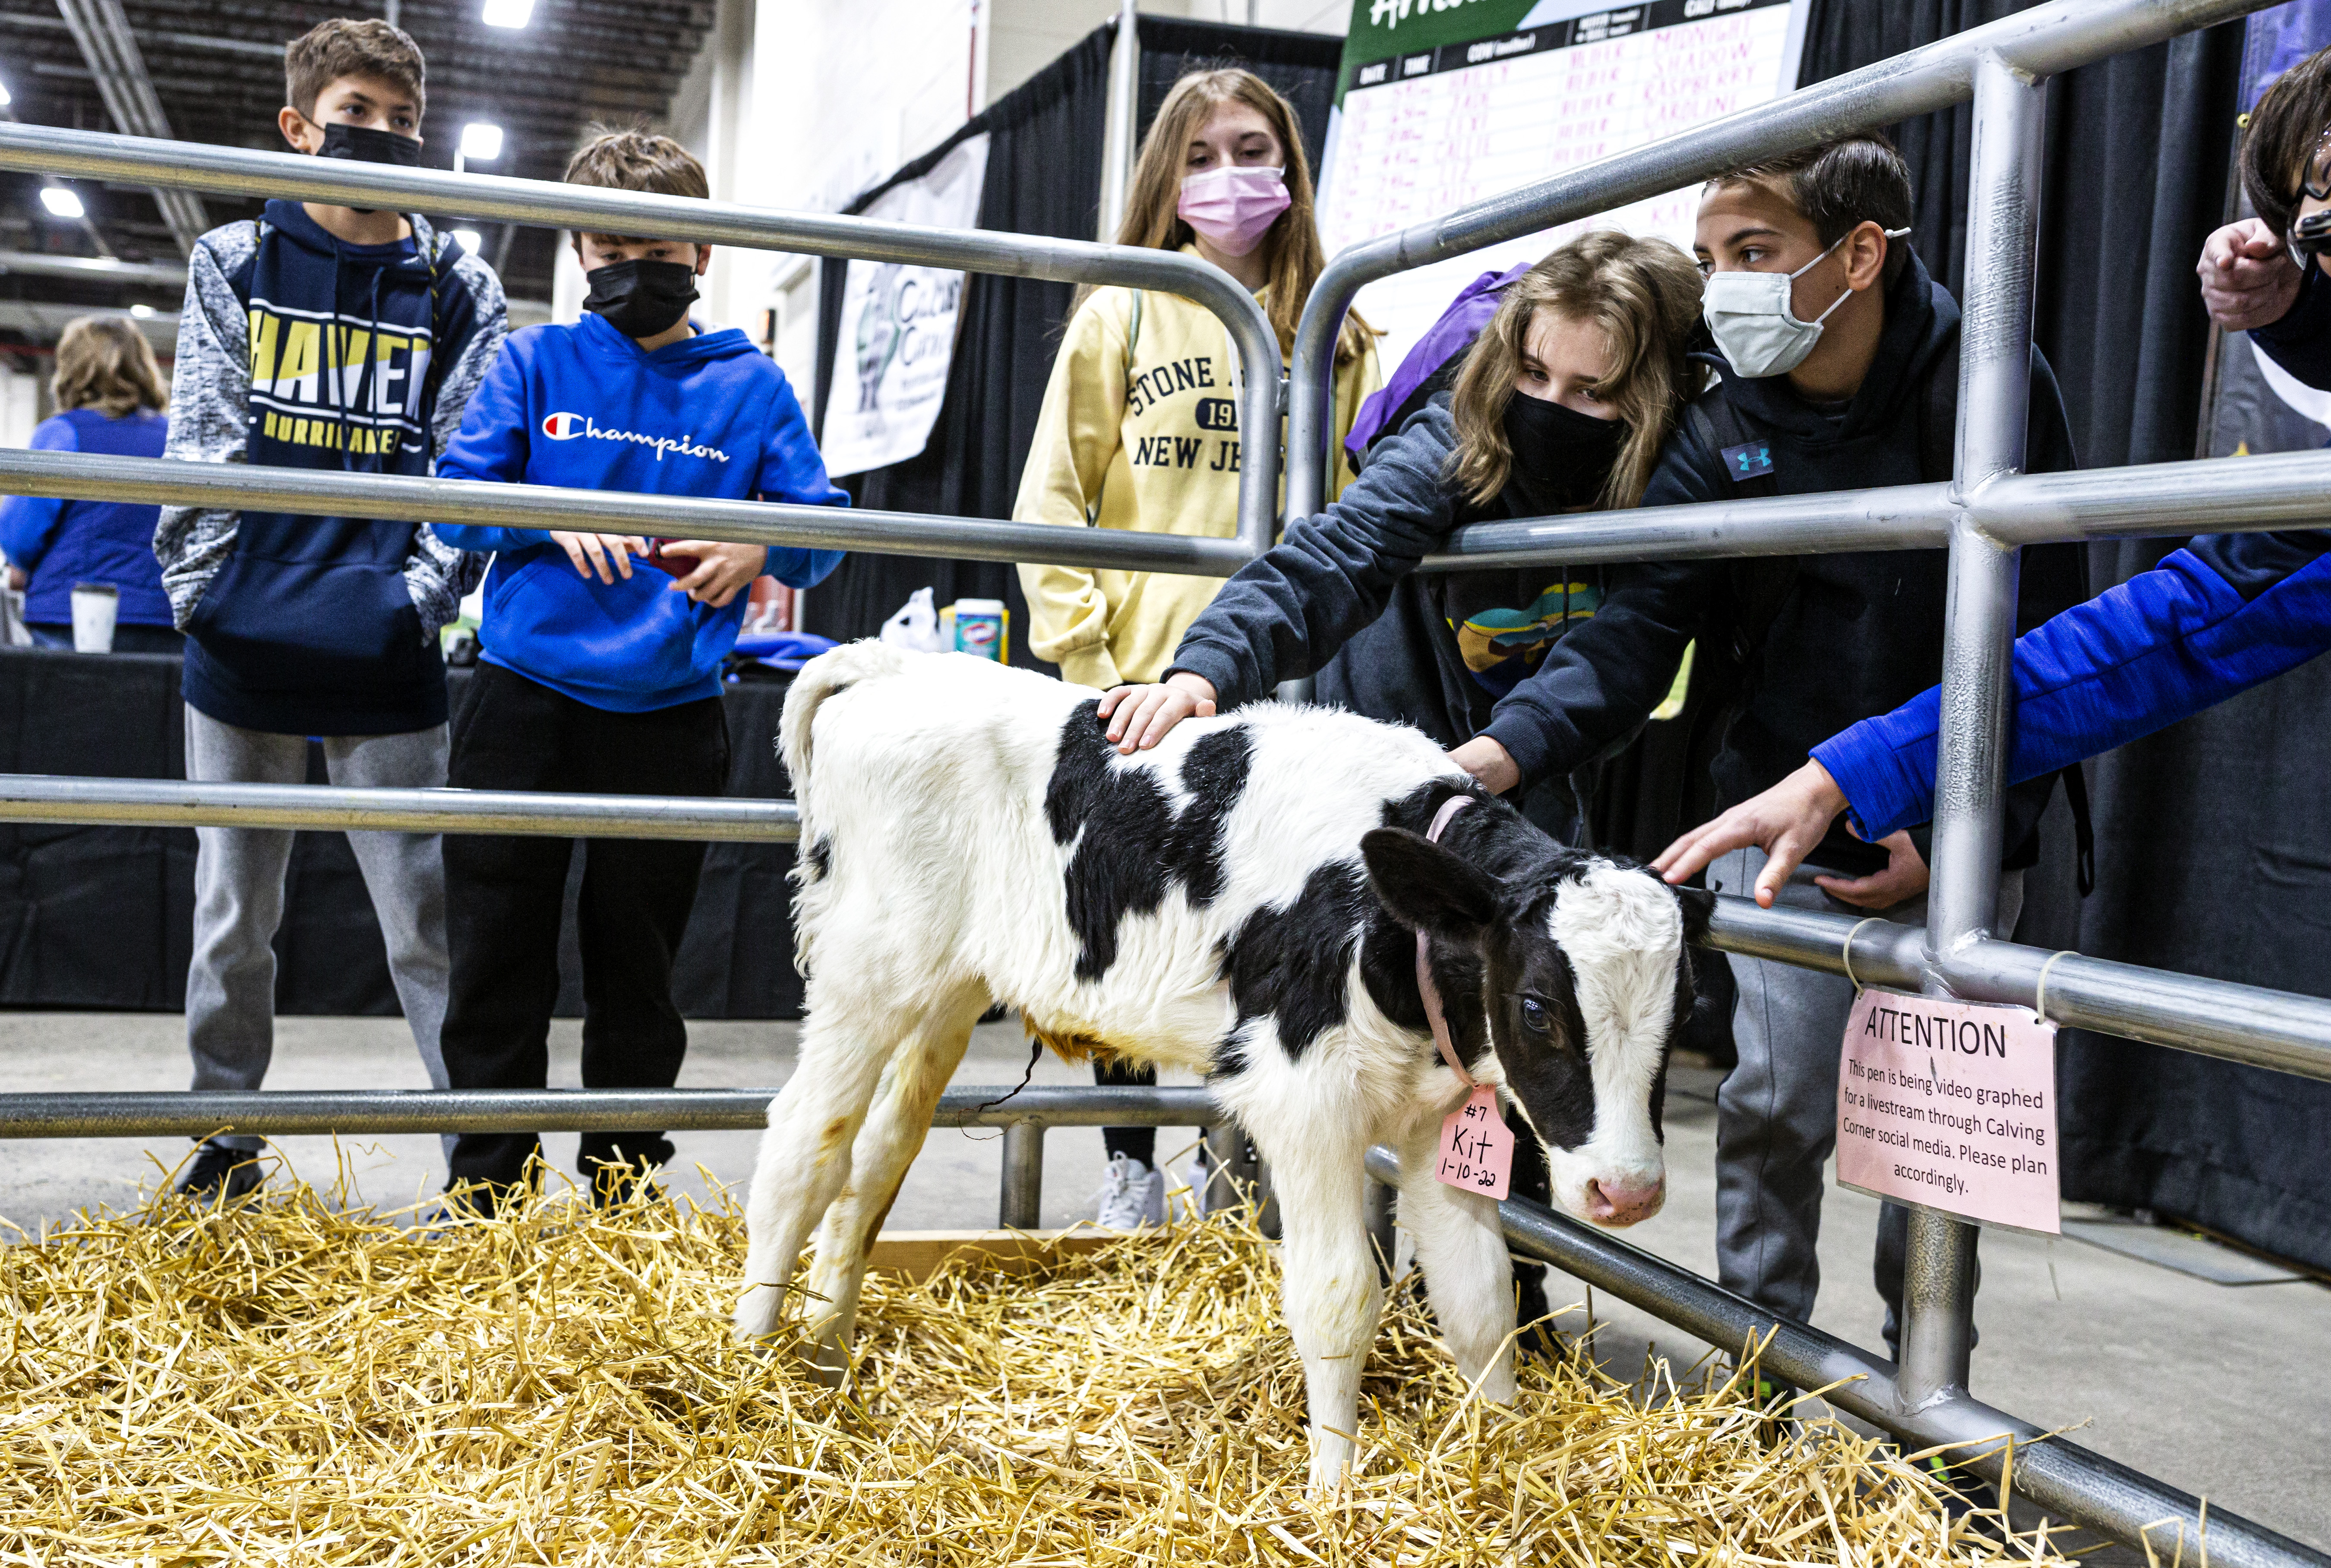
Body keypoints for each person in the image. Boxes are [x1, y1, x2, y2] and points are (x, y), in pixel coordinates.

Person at [1105, 133, 2089, 1361]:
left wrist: (1960, 830)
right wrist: (1212, 665)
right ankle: (1320, 1297)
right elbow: (1351, 554)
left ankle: (1899, 1386)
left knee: (1563, 1060)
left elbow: (2052, 628)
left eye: (1595, 389)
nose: (1555, 410)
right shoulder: (1475, 433)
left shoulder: (1833, 406)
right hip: (1431, 773)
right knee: (1356, 1049)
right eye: (1538, 374)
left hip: (1646, 781)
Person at [1669, 50, 2331, 902]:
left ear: (1861, 254)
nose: (1726, 288)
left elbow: (2075, 612)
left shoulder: (1988, 384)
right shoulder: (1720, 412)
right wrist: (1853, 774)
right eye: (2315, 234)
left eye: (1754, 251)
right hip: (1831, 825)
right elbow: (2148, 634)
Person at [429, 128, 850, 1211]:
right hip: (522, 699)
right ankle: (490, 1191)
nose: (633, 265)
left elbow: (826, 531)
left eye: (657, 246)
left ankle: (623, 1191)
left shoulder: (750, 387)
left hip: (668, 712)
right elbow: (455, 499)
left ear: (702, 253)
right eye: (610, 246)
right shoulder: (532, 361)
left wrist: (759, 548)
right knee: (497, 958)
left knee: (639, 971)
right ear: (579, 251)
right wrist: (545, 521)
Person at [1011, 66, 1381, 1229]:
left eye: (1253, 149)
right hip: (1137, 693)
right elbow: (1050, 500)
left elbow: (1362, 512)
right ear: (1167, 180)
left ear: (1292, 167)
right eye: (1204, 154)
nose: (1231, 176)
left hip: (1288, 697)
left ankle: (1251, 1171)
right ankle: (1130, 1169)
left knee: (1272, 938)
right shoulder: (1121, 307)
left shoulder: (1338, 325)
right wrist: (1093, 665)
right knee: (1129, 936)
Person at [153, 18, 507, 1201]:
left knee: (424, 923)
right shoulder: (236, 257)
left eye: (404, 120)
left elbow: (467, 465)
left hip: (384, 644)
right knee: (231, 917)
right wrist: (200, 591)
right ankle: (222, 1154)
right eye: (358, 114)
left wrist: (416, 599)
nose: (384, 136)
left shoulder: (458, 279)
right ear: (301, 128)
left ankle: (480, 1170)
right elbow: (198, 436)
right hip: (243, 636)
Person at [0, 317, 177, 652]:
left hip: (71, 618)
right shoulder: (173, 439)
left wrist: (20, 566)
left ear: (71, 369)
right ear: (143, 367)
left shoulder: (63, 432)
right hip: (160, 616)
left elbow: (19, 533)